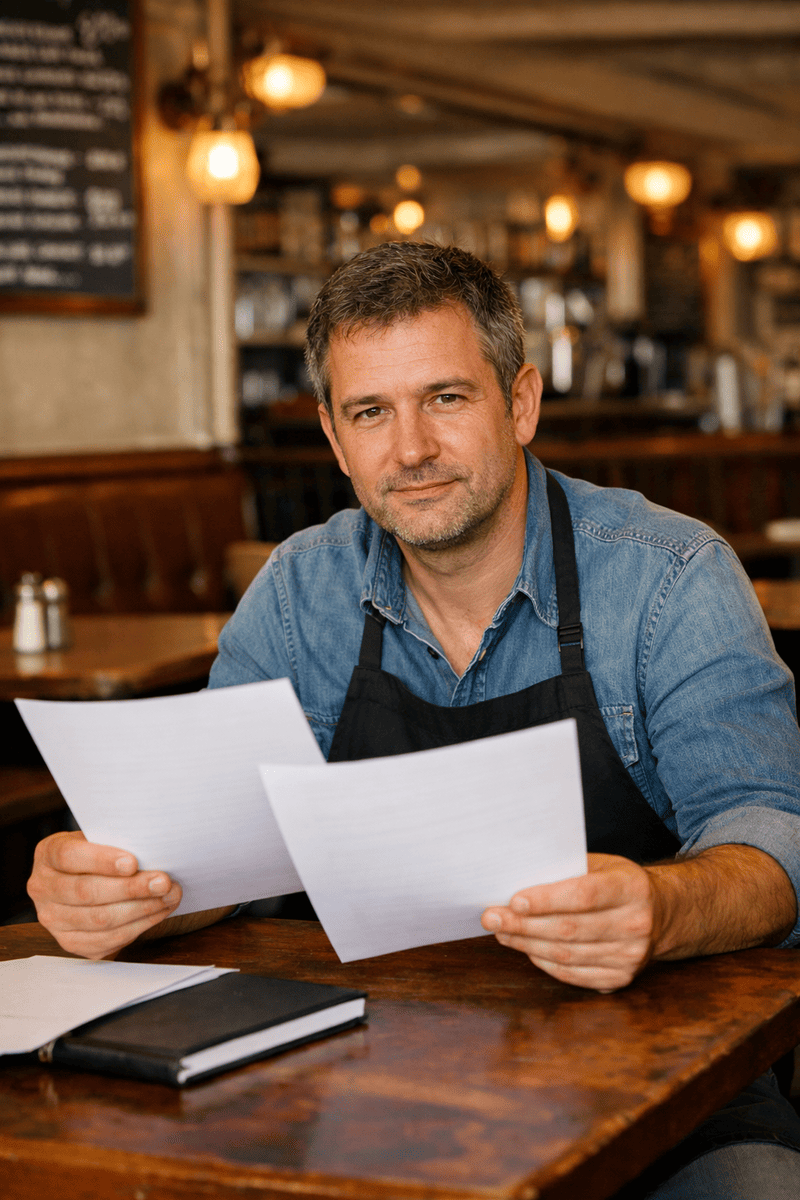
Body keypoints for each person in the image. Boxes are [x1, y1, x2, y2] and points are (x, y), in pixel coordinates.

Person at [27, 242, 800, 1197]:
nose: (411, 450)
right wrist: (123, 885)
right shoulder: (298, 591)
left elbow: (775, 839)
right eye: (370, 413)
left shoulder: (669, 577)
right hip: (351, 1072)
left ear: (519, 403)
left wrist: (665, 908)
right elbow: (214, 853)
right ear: (333, 437)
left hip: (667, 1084)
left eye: (445, 398)